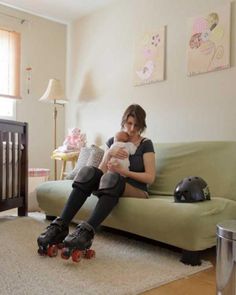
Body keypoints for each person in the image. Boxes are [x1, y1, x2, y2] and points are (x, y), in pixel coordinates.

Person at [37, 104, 156, 258]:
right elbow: (100, 172)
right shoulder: (113, 140)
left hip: (137, 189)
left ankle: (86, 232)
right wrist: (108, 154)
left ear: (142, 125)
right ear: (123, 122)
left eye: (136, 125)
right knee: (88, 172)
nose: (132, 129)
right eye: (129, 123)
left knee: (112, 178)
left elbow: (150, 177)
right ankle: (61, 225)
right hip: (112, 181)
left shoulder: (145, 144)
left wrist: (123, 171)